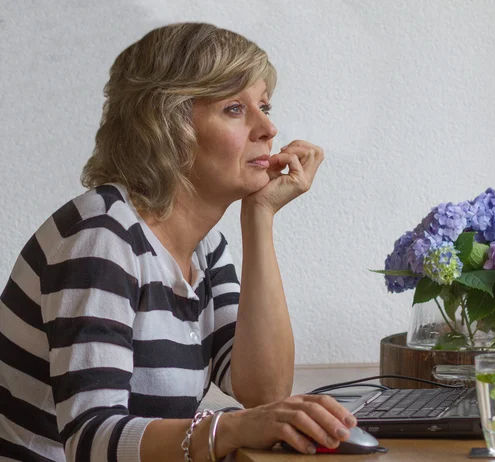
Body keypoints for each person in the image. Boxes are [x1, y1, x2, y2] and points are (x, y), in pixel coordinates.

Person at [0, 22, 357, 462]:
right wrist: (227, 428)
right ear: (168, 127)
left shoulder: (206, 249)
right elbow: (90, 438)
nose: (268, 127)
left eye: (264, 105)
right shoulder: (100, 237)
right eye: (234, 109)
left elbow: (263, 391)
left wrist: (259, 218)